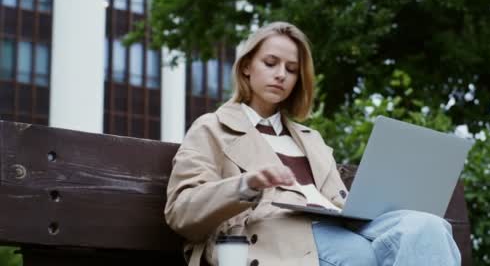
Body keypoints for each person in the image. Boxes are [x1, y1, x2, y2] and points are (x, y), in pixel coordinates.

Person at [164, 21, 461, 266]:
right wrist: (245, 185)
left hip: (339, 228)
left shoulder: (311, 139)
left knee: (428, 228)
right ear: (246, 67)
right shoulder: (212, 128)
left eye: (291, 69)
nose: (281, 74)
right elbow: (182, 212)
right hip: (273, 238)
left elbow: (337, 205)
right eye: (270, 63)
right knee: (363, 257)